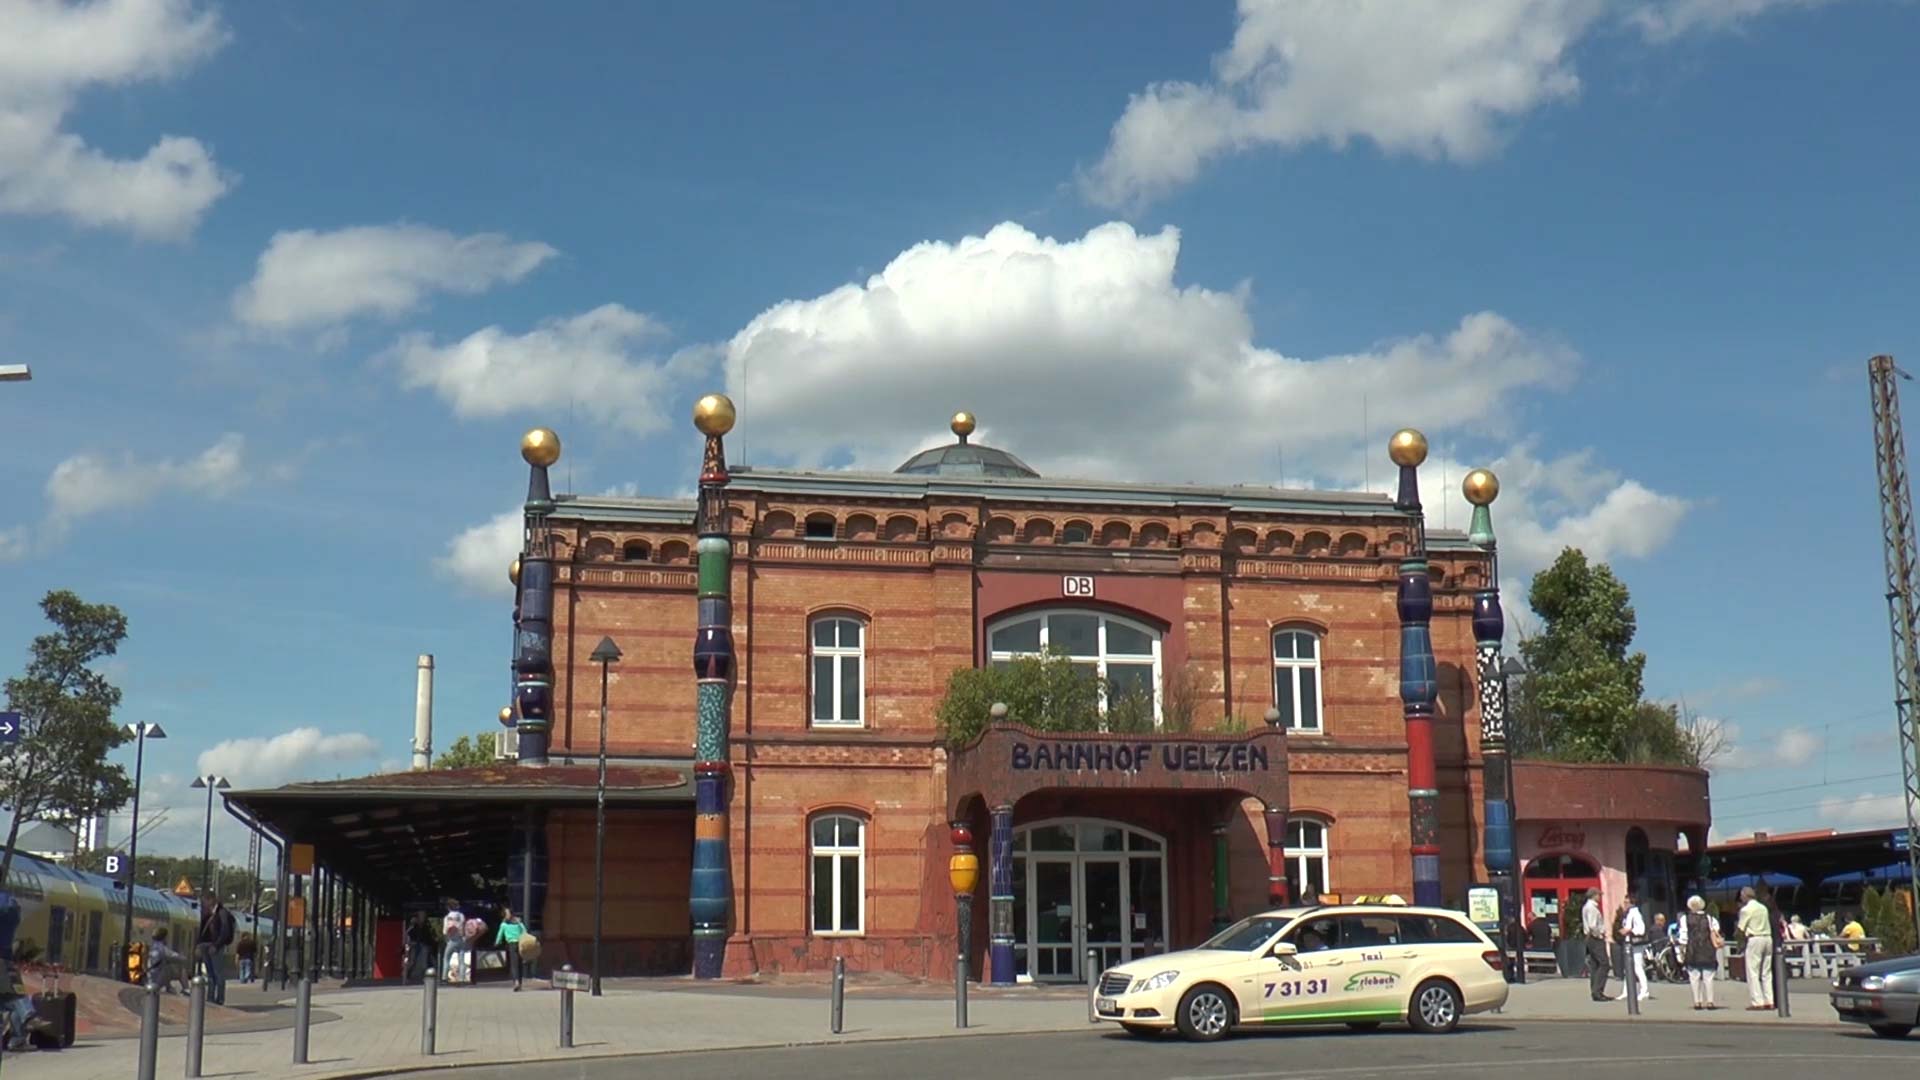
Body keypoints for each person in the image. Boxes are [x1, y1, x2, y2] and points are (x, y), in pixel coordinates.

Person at [1676, 894, 1722, 1010]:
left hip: (1692, 949)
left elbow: (1683, 936)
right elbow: (1716, 931)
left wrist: (1682, 949)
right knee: (1708, 977)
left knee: (1694, 977)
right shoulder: (1710, 918)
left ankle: (1697, 1001)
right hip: (1707, 949)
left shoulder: (1685, 918)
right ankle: (1710, 1001)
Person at [1736, 886, 1774, 1010]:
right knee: (1766, 972)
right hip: (1767, 937)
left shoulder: (1746, 910)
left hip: (1755, 938)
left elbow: (1741, 928)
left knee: (1753, 971)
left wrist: (1739, 942)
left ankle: (1757, 1001)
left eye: (1741, 895)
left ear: (1745, 896)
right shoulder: (1763, 907)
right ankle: (1770, 1000)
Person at [195, 892, 236, 1006]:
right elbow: (202, 930)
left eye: (205, 900)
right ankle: (210, 997)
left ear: (212, 900)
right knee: (210, 973)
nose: (203, 903)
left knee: (218, 973)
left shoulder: (222, 913)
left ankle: (220, 998)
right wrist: (198, 945)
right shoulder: (206, 913)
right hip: (205, 945)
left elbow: (225, 931)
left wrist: (216, 945)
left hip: (215, 946)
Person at [1616, 889, 1651, 1002]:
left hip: (1636, 943)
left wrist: (1629, 930)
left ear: (1632, 903)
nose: (1625, 904)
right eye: (1624, 902)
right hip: (1629, 943)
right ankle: (1626, 991)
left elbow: (1641, 929)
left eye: (1627, 902)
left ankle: (1644, 991)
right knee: (1628, 967)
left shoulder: (1635, 913)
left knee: (1637, 967)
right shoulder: (1628, 913)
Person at [1581, 889, 1609, 1001]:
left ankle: (1595, 991)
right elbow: (1592, 925)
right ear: (1593, 895)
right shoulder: (1592, 908)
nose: (1600, 897)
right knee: (1604, 963)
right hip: (1595, 938)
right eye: (1599, 895)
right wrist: (1599, 934)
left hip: (1590, 938)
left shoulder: (1586, 907)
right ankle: (1598, 991)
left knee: (1595, 964)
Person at [494, 907, 527, 991]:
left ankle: (516, 982)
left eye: (508, 913)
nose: (507, 915)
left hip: (512, 944)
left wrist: (497, 942)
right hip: (520, 943)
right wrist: (520, 923)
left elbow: (500, 935)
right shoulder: (517, 922)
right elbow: (524, 931)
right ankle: (519, 983)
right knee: (519, 963)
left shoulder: (503, 924)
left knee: (514, 964)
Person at [440, 900, 467, 984]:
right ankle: (462, 979)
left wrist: (446, 940)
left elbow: (445, 931)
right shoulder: (461, 916)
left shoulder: (447, 917)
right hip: (460, 939)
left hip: (451, 940)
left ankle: (444, 978)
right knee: (461, 960)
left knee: (446, 959)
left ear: (448, 907)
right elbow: (464, 926)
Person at [405, 912, 435, 984]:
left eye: (423, 916)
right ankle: (408, 976)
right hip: (415, 944)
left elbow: (429, 936)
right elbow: (408, 933)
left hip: (423, 945)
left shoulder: (426, 926)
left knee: (424, 962)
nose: (422, 918)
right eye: (421, 916)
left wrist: (429, 944)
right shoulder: (414, 925)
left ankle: (423, 977)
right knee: (412, 962)